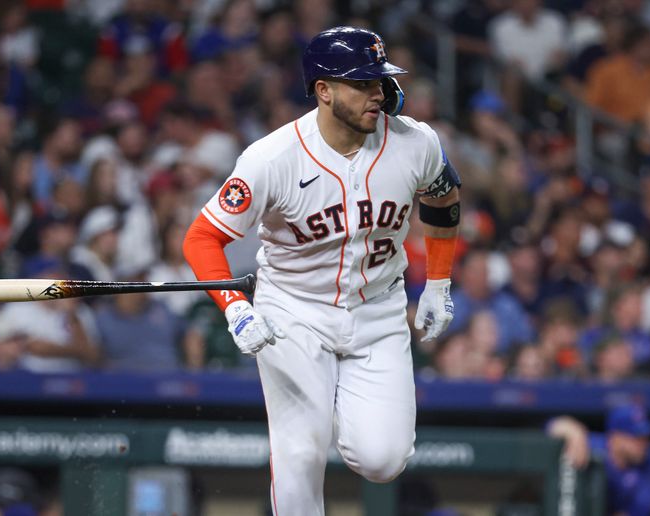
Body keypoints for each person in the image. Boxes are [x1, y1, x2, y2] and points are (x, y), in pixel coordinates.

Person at [182, 27, 461, 514]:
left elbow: (443, 200)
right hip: (293, 310)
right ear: (324, 90)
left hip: (377, 310)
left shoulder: (416, 143)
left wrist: (438, 281)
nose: (377, 92)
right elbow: (203, 237)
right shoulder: (271, 158)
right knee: (300, 452)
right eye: (362, 83)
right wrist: (236, 309)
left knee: (384, 458)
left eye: (380, 80)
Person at [547, 403, 650, 516]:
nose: (644, 443)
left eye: (646, 437)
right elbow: (549, 427)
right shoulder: (594, 447)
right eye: (636, 437)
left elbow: (640, 508)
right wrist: (574, 431)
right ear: (615, 436)